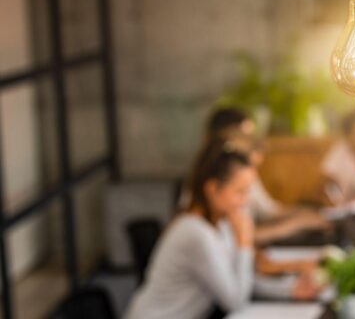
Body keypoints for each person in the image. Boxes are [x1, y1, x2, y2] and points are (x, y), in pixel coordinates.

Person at [126, 137, 257, 319]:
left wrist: (291, 290)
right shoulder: (195, 233)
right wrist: (244, 244)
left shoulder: (220, 224)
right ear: (212, 189)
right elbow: (235, 301)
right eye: (240, 192)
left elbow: (239, 279)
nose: (246, 200)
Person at [196, 108, 329, 245]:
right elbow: (241, 238)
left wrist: (304, 215)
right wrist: (293, 225)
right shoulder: (203, 218)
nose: (253, 141)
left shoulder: (243, 173)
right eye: (246, 136)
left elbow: (267, 212)